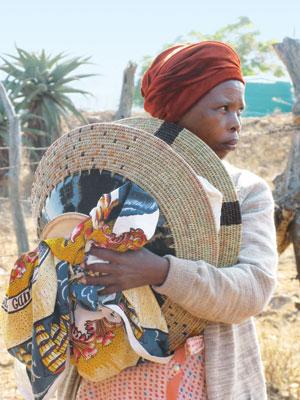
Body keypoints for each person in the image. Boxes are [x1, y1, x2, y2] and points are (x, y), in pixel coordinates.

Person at [71, 41, 278, 400]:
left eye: (239, 110)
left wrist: (162, 272)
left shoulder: (244, 192)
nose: (236, 124)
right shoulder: (109, 184)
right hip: (104, 379)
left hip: (200, 381)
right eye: (223, 108)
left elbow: (253, 291)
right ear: (178, 112)